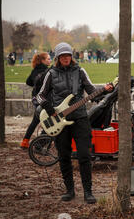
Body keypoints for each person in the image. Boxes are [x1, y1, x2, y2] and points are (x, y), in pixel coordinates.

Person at [36, 42, 113, 204]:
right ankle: (69, 190)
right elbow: (39, 96)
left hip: (80, 119)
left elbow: (92, 92)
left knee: (85, 155)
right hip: (58, 121)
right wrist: (49, 108)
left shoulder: (80, 71)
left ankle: (88, 191)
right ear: (58, 58)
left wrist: (105, 90)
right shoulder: (51, 73)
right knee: (64, 156)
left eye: (68, 55)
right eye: (62, 55)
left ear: (72, 56)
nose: (66, 58)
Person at [20, 52, 52, 148]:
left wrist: (36, 86)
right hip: (43, 99)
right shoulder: (47, 71)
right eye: (48, 59)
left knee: (36, 121)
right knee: (50, 120)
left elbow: (28, 81)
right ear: (42, 60)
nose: (50, 60)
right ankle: (40, 142)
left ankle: (25, 142)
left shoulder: (35, 70)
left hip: (35, 98)